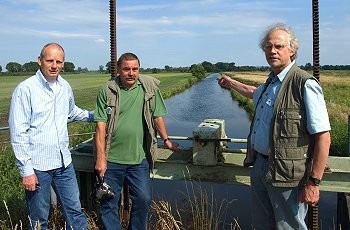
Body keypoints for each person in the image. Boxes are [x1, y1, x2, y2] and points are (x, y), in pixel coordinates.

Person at [218, 23, 331, 229]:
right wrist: (231, 83)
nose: (272, 51)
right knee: (262, 224)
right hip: (261, 166)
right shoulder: (271, 82)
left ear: (292, 50)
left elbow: (323, 136)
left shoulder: (304, 83)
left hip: (288, 173)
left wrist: (314, 183)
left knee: (288, 226)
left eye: (278, 46)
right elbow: (253, 92)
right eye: (268, 47)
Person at [9, 43, 93, 230]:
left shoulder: (64, 86)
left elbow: (72, 112)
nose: (54, 65)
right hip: (38, 167)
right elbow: (18, 133)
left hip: (64, 163)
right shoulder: (26, 89)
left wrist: (96, 116)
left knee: (75, 211)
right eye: (50, 61)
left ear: (63, 63)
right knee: (39, 218)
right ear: (40, 61)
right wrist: (26, 171)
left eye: (59, 61)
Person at [94, 52, 179, 229]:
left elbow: (157, 116)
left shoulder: (149, 88)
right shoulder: (107, 90)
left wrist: (167, 139)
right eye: (126, 69)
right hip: (111, 160)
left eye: (135, 69)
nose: (131, 73)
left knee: (143, 198)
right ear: (118, 70)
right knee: (108, 201)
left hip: (139, 159)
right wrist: (101, 159)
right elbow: (100, 126)